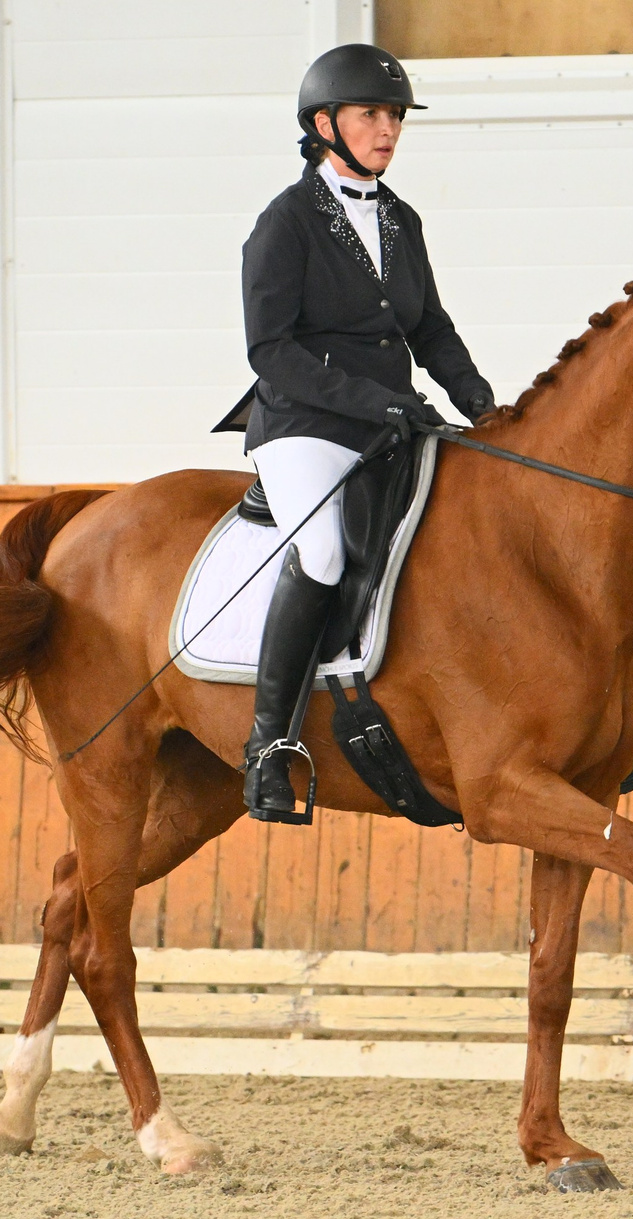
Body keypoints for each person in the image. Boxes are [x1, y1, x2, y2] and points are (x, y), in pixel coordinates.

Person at [236, 43, 495, 822]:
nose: (388, 130)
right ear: (324, 125)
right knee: (321, 551)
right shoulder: (284, 223)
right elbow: (270, 350)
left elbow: (430, 328)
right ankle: (267, 747)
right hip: (305, 423)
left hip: (391, 422)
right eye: (371, 115)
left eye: (395, 117)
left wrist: (484, 405)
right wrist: (369, 400)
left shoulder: (398, 219)